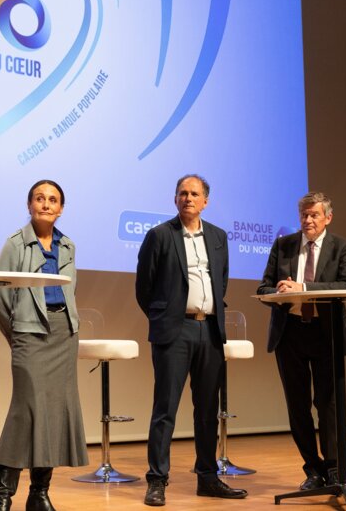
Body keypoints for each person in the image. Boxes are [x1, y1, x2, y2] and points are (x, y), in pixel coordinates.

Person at [135, 174, 247, 506]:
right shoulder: (159, 235)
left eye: (194, 194)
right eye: (182, 193)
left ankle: (208, 478)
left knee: (208, 410)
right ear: (175, 199)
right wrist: (164, 319)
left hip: (210, 331)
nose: (188, 198)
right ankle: (157, 480)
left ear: (205, 201)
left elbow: (221, 280)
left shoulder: (218, 236)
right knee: (165, 409)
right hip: (175, 331)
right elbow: (144, 287)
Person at [0, 180, 89, 511]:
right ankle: (3, 496)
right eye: (39, 198)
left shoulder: (68, 245)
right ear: (29, 205)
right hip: (29, 334)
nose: (46, 204)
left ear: (61, 208)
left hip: (63, 335)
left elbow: (70, 291)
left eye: (53, 200)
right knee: (25, 412)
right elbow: (0, 297)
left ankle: (39, 494)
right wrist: (19, 334)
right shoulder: (15, 243)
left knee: (54, 415)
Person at [256, 191, 346, 491]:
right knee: (297, 406)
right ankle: (313, 469)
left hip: (326, 334)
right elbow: (263, 288)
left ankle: (334, 468)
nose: (308, 220)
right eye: (304, 215)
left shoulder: (342, 247)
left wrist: (304, 288)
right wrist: (279, 291)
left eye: (314, 215)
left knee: (327, 404)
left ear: (328, 217)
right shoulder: (283, 245)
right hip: (290, 333)